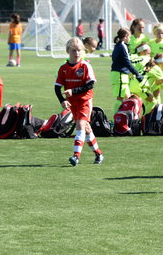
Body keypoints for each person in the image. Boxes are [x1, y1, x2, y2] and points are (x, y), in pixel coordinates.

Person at [55, 37, 103, 166]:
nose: (77, 53)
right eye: (74, 50)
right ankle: (98, 153)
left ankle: (76, 156)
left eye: (79, 50)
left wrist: (73, 91)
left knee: (80, 125)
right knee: (86, 128)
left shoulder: (85, 66)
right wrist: (62, 100)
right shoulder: (63, 68)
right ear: (68, 51)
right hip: (73, 103)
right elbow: (57, 87)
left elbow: (91, 84)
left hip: (85, 101)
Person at [110, 28, 144, 113]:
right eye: (129, 36)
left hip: (120, 75)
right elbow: (127, 62)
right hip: (120, 75)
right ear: (125, 36)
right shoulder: (122, 46)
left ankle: (126, 116)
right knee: (120, 98)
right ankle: (116, 118)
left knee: (127, 97)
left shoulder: (118, 45)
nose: (130, 38)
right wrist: (137, 73)